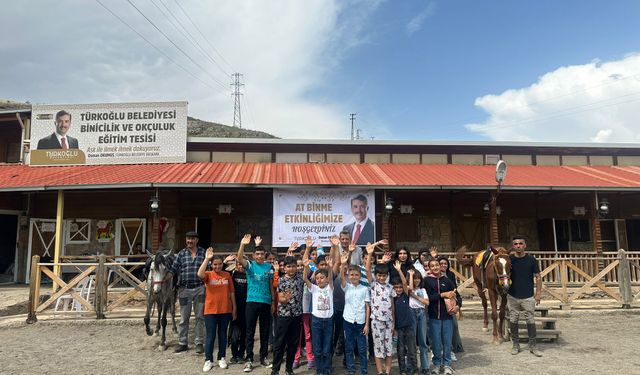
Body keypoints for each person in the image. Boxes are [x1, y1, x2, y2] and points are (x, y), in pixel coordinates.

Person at [237, 234, 275, 372]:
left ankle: (264, 357)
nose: (259, 256)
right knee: (250, 332)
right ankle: (249, 359)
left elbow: (271, 285)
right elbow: (240, 258)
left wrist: (273, 301)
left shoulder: (269, 267)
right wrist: (243, 245)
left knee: (264, 331)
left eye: (262, 254)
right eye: (257, 254)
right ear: (253, 255)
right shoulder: (250, 266)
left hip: (265, 302)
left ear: (265, 255)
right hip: (252, 302)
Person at [198, 249, 236, 372]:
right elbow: (199, 274)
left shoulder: (227, 275)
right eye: (215, 264)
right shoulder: (208, 274)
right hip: (210, 311)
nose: (218, 266)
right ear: (211, 265)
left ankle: (222, 357)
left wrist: (234, 308)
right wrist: (206, 258)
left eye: (219, 264)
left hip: (225, 310)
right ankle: (208, 360)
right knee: (210, 336)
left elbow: (231, 292)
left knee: (223, 335)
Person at [168, 231, 206, 354]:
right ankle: (182, 342)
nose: (189, 241)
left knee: (200, 317)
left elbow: (209, 269)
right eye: (188, 239)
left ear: (197, 240)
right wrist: (161, 280)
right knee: (184, 318)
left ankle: (199, 342)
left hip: (200, 288)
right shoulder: (181, 254)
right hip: (184, 290)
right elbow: (172, 270)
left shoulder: (203, 253)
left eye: (192, 239)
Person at [508, 236, 543, 357]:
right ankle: (515, 345)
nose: (518, 245)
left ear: (525, 245)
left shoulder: (531, 260)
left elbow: (538, 277)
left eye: (520, 243)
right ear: (513, 246)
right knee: (513, 319)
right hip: (512, 295)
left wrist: (538, 293)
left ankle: (533, 346)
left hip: (528, 295)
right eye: (516, 244)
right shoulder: (509, 260)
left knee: (530, 320)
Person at [271, 255, 305, 375]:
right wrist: (286, 299)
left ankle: (289, 369)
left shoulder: (300, 278)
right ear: (284, 268)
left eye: (293, 266)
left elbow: (307, 268)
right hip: (284, 316)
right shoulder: (281, 280)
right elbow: (280, 298)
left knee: (293, 343)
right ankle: (275, 370)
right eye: (289, 267)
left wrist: (307, 248)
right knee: (279, 343)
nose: (291, 269)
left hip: (296, 315)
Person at [365, 242, 395, 375]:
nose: (381, 277)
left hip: (389, 321)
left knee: (388, 348)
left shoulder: (390, 288)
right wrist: (370, 253)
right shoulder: (373, 285)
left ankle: (387, 371)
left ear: (387, 275)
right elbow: (367, 270)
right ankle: (380, 372)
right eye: (379, 275)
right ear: (376, 275)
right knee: (378, 348)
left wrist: (393, 322)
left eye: (384, 275)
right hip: (376, 321)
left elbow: (392, 305)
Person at [303, 256, 334, 375]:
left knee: (327, 348)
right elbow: (305, 278)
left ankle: (327, 369)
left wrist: (330, 267)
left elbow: (331, 277)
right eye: (317, 278)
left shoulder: (330, 287)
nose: (320, 280)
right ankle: (319, 370)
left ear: (327, 279)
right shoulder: (314, 288)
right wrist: (306, 266)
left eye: (322, 278)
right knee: (317, 348)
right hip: (316, 321)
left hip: (328, 321)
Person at [340, 253, 370, 375]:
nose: (353, 277)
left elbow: (368, 307)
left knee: (362, 348)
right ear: (349, 275)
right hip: (348, 321)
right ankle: (351, 369)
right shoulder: (346, 287)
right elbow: (341, 277)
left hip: (361, 322)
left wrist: (367, 324)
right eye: (351, 274)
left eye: (356, 275)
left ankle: (364, 370)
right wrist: (343, 264)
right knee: (349, 347)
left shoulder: (364, 289)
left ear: (360, 275)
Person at [424, 258, 456, 375]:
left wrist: (458, 307)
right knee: (436, 342)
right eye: (432, 266)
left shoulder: (446, 281)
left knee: (447, 342)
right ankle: (437, 364)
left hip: (447, 316)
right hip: (433, 317)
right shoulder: (427, 281)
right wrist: (442, 294)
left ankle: (447, 365)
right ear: (429, 268)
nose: (435, 267)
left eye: (437, 265)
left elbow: (456, 295)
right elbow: (428, 298)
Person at [391, 261, 416, 375]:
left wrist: (399, 270)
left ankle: (413, 368)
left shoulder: (406, 294)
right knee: (400, 350)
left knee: (411, 349)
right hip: (399, 327)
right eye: (396, 288)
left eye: (400, 287)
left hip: (409, 325)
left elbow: (405, 283)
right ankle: (402, 370)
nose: (398, 289)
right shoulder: (393, 298)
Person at [408, 269, 430, 375]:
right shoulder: (408, 288)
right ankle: (411, 366)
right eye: (415, 278)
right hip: (411, 312)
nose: (417, 280)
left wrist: (416, 297)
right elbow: (410, 290)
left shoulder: (423, 290)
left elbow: (426, 302)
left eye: (418, 278)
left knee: (422, 341)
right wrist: (411, 275)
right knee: (411, 341)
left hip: (421, 313)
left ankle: (425, 366)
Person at [230, 258, 248, 363]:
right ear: (236, 265)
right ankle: (234, 354)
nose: (241, 267)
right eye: (238, 265)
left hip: (246, 309)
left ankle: (241, 354)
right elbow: (222, 270)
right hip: (235, 308)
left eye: (243, 265)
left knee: (244, 334)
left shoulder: (249, 275)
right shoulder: (232, 275)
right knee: (234, 335)